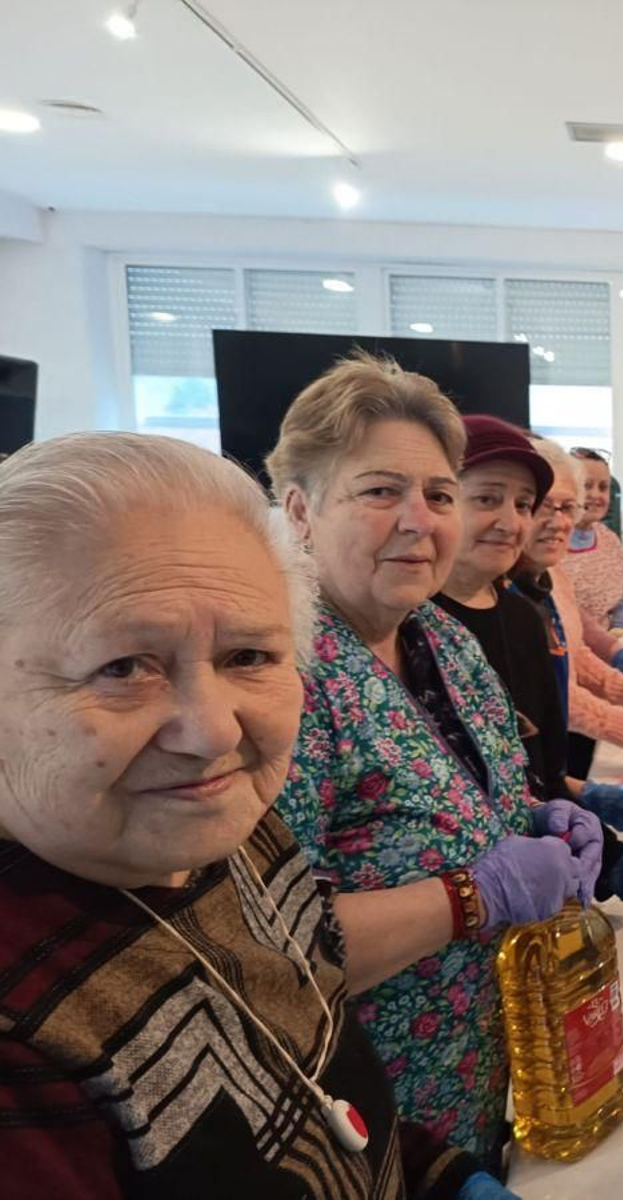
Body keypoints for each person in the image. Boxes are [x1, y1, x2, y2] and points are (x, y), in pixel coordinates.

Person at [0, 432, 508, 1198]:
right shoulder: (24, 1045)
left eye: (248, 657)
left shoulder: (237, 838)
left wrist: (435, 1174)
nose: (213, 733)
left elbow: (317, 1086)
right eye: (123, 667)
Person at [268, 353, 604, 1161]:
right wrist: (474, 895)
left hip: (489, 1079)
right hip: (374, 1133)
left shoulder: (441, 638)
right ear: (301, 509)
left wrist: (541, 818)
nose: (420, 520)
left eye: (440, 494)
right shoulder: (279, 678)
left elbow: (470, 804)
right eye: (381, 491)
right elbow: (267, 956)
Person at [435, 416, 623, 906]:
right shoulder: (415, 626)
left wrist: (602, 851)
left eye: (523, 503)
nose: (511, 520)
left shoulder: (522, 615)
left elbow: (537, 771)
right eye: (487, 498)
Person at [515, 441, 623, 780]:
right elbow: (551, 690)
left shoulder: (553, 574)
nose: (558, 521)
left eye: (567, 507)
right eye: (544, 506)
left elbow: (573, 651)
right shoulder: (508, 596)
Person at [565, 447, 623, 635]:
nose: (596, 495)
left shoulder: (611, 541)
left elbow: (618, 604)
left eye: (603, 487)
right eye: (586, 485)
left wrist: (618, 628)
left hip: (608, 643)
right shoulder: (550, 541)